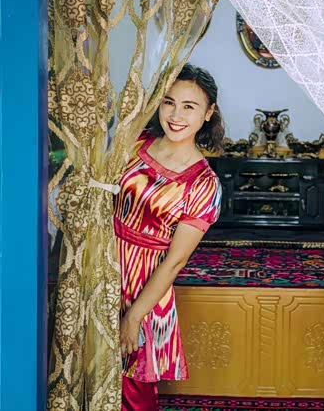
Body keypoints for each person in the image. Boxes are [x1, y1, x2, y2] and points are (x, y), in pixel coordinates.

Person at [114, 64, 224, 411]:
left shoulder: (204, 184)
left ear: (208, 113)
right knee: (90, 372)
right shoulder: (134, 143)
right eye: (169, 102)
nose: (176, 116)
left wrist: (134, 315)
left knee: (132, 389)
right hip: (102, 265)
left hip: (145, 286)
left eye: (189, 106)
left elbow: (176, 260)